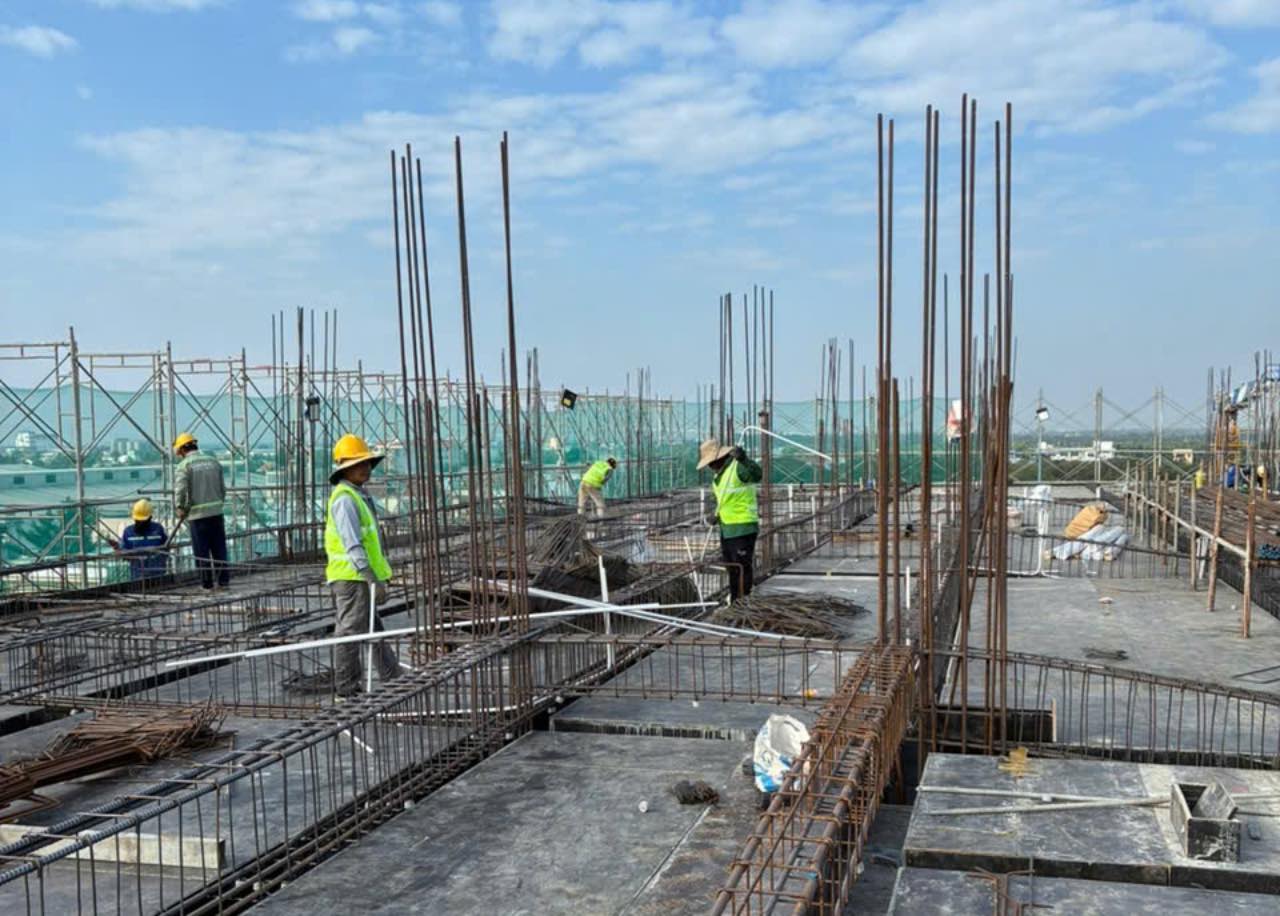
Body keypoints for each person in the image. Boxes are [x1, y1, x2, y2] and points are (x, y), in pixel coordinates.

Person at [325, 433, 401, 698]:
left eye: (367, 463)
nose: (366, 468)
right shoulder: (345, 499)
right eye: (359, 464)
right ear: (345, 468)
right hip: (352, 577)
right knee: (350, 631)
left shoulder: (358, 495)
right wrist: (370, 578)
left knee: (372, 627)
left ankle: (391, 675)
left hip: (359, 576)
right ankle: (346, 690)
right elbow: (353, 544)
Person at [697, 439, 762, 602]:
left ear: (720, 458)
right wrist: (717, 516)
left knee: (741, 567)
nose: (710, 466)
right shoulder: (718, 477)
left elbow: (757, 475)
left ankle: (743, 602)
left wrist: (744, 460)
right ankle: (735, 601)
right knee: (732, 568)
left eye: (711, 463)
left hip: (742, 527)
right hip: (727, 529)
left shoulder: (738, 467)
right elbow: (727, 501)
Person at [173, 432, 229, 589]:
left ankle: (207, 585)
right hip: (217, 513)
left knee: (202, 553)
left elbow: (180, 490)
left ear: (182, 450)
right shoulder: (213, 461)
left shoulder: (184, 466)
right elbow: (223, 489)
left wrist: (179, 507)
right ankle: (223, 582)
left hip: (198, 517)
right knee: (219, 550)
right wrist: (217, 504)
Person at [115, 498, 169, 581]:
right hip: (138, 577)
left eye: (143, 521)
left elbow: (167, 548)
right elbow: (124, 553)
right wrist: (119, 549)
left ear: (150, 518)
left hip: (159, 576)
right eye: (139, 520)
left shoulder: (158, 529)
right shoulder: (128, 532)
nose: (141, 523)